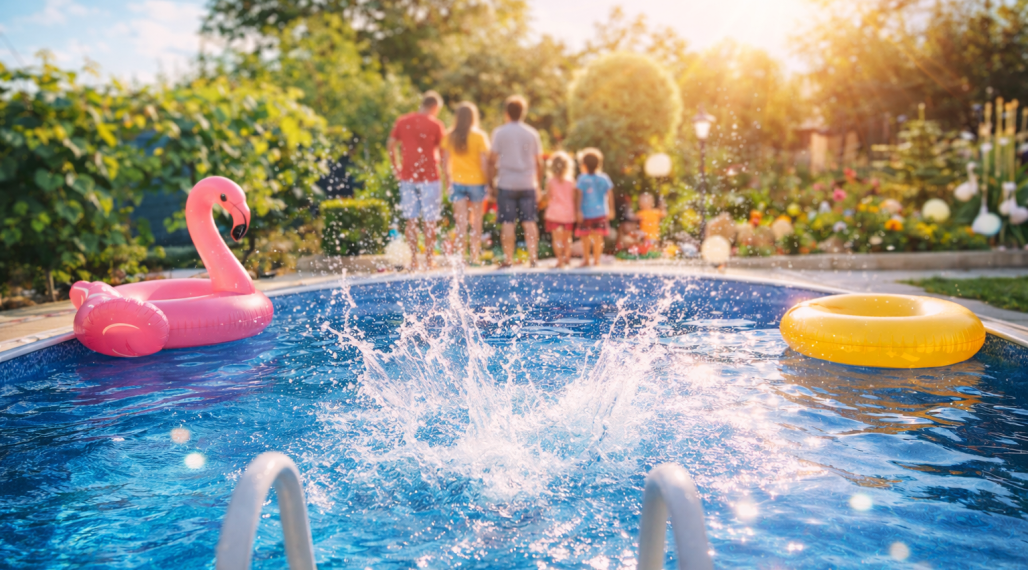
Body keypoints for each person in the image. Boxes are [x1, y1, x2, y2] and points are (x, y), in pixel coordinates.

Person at [387, 91, 446, 270]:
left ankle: (413, 261)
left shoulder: (403, 121)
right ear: (435, 107)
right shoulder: (436, 124)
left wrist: (395, 166)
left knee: (410, 220)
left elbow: (390, 143)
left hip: (407, 177)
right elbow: (443, 153)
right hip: (431, 177)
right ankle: (428, 260)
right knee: (430, 220)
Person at [489, 95, 543, 268]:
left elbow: (492, 159)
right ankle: (533, 258)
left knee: (507, 222)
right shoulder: (532, 133)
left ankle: (508, 259)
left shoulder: (499, 132)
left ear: (506, 112)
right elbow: (539, 162)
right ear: (523, 113)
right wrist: (539, 186)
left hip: (506, 183)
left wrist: (491, 183)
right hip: (528, 183)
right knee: (529, 221)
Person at [440, 102, 490, 265]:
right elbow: (484, 163)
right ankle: (474, 257)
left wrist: (448, 183)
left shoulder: (450, 136)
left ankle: (461, 258)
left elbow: (445, 163)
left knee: (461, 223)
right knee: (476, 222)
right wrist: (488, 183)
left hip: (457, 182)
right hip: (477, 183)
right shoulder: (479, 136)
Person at [574, 148, 614, 267]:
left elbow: (579, 196)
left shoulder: (582, 178)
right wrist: (611, 209)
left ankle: (586, 259)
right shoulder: (604, 178)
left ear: (583, 165)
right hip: (601, 212)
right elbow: (610, 194)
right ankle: (596, 260)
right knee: (598, 237)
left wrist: (578, 211)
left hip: (586, 213)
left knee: (585, 237)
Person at [542, 151, 576, 269]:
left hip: (554, 213)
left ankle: (560, 260)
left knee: (557, 239)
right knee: (568, 239)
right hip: (568, 213)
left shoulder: (550, 181)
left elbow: (547, 197)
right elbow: (574, 197)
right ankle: (567, 258)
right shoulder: (571, 181)